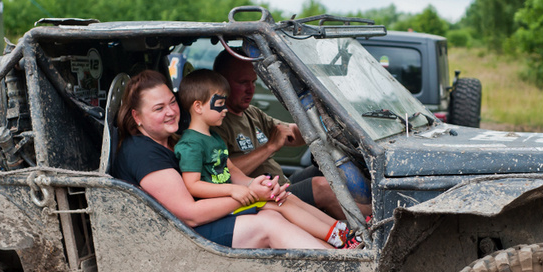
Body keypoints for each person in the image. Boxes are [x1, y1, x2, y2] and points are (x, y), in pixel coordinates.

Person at [112, 69, 332, 250]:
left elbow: (230, 171)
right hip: (180, 238)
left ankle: (342, 247)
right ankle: (338, 267)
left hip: (203, 222)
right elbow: (190, 215)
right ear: (137, 117)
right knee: (269, 224)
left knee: (279, 201)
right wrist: (251, 195)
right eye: (159, 108)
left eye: (172, 102)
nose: (171, 112)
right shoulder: (142, 152)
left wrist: (255, 185)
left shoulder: (176, 139)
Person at [173, 69, 360, 248]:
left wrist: (256, 184)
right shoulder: (190, 144)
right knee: (278, 203)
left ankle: (343, 231)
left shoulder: (213, 138)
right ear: (198, 106)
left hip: (231, 196)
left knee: (284, 195)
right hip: (219, 207)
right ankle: (339, 238)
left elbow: (233, 171)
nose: (224, 109)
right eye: (220, 104)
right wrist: (233, 190)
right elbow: (193, 185)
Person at [212, 50, 372, 220]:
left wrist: (323, 124)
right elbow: (223, 173)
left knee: (329, 169)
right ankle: (375, 229)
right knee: (321, 187)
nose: (250, 90)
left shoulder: (251, 113)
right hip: (262, 198)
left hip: (282, 185)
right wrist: (270, 147)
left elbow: (291, 134)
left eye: (253, 82)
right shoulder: (217, 124)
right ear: (222, 83)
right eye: (243, 82)